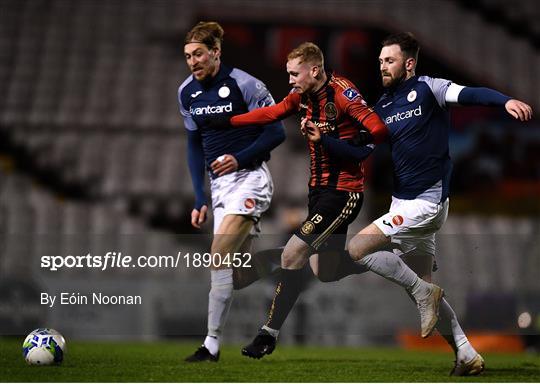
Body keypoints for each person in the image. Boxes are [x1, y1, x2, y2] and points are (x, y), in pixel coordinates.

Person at [340, 32, 531, 376]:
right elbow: (360, 146)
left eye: (390, 60)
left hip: (426, 203)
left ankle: (422, 291)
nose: (383, 66)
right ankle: (466, 353)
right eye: (381, 60)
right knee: (425, 293)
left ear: (409, 63)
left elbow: (470, 94)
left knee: (357, 249)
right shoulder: (381, 107)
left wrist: (504, 101)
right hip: (402, 204)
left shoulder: (430, 88)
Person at [225, 42, 432, 360]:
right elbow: (274, 112)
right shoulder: (302, 97)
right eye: (289, 74)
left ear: (315, 70)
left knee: (294, 254)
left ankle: (267, 335)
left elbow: (376, 128)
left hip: (344, 193)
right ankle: (403, 249)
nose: (291, 80)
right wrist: (230, 121)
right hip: (318, 192)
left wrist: (348, 141)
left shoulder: (342, 93)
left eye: (295, 74)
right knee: (326, 270)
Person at [178, 21, 285, 362]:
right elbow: (194, 144)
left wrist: (239, 157)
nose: (193, 62)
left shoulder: (246, 84)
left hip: (251, 178)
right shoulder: (187, 92)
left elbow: (276, 132)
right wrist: (199, 196)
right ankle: (288, 262)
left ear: (216, 53)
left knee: (217, 253)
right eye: (187, 56)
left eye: (198, 54)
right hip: (220, 187)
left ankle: (210, 345)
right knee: (236, 276)